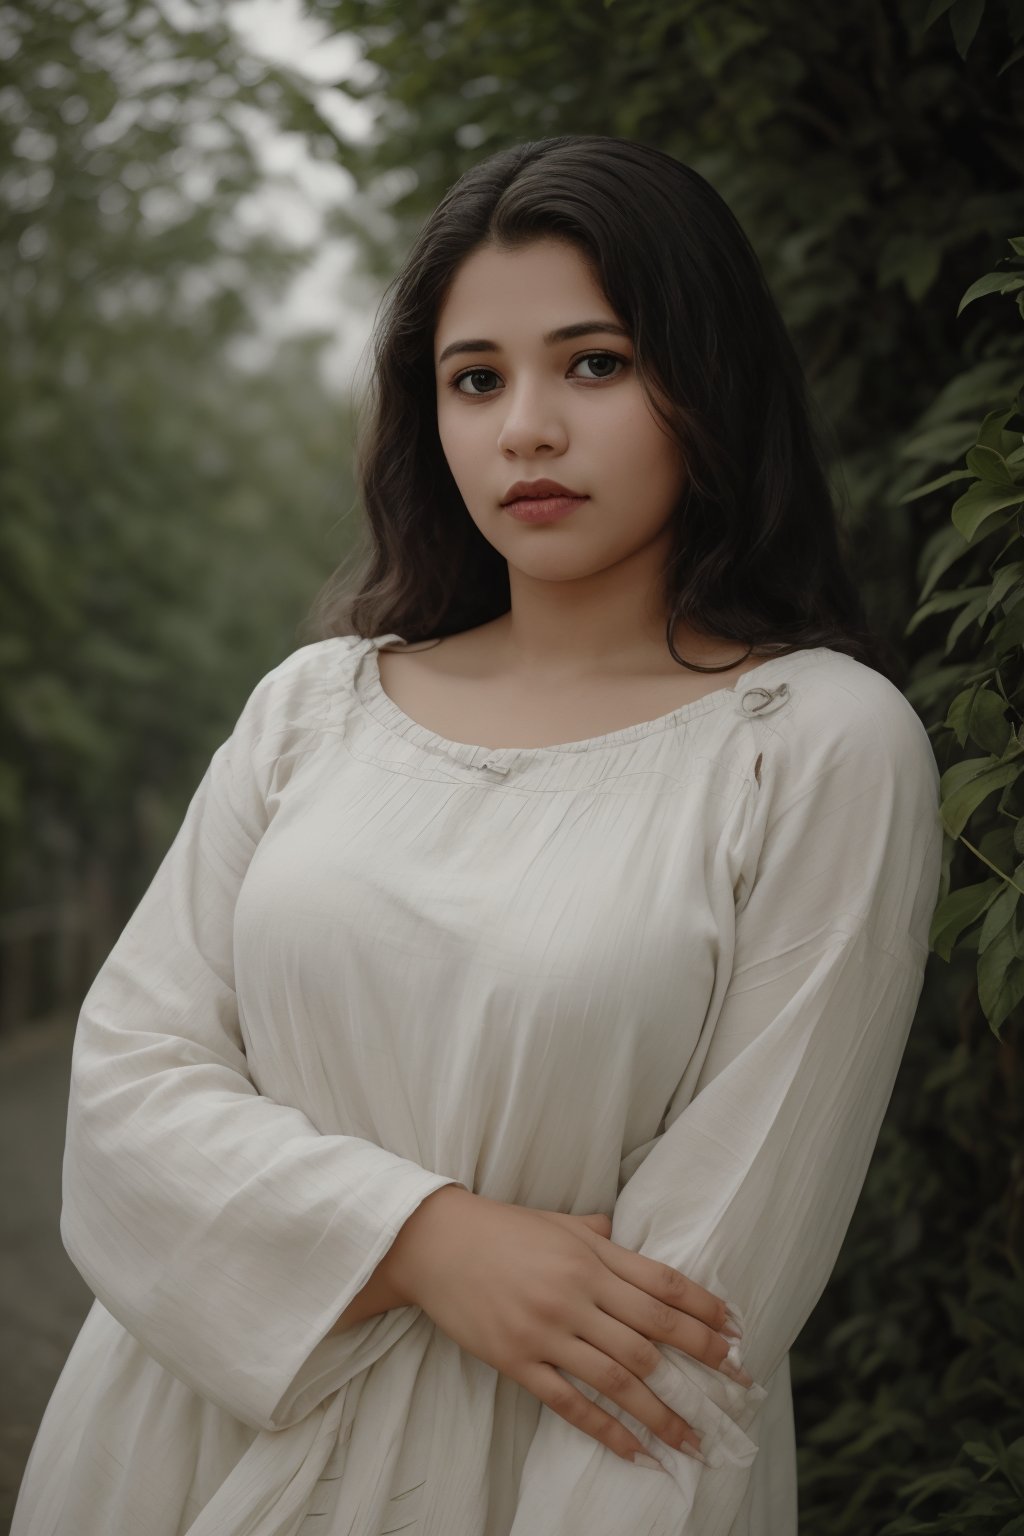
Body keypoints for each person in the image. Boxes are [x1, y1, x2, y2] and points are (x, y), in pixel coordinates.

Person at [11, 134, 943, 1536]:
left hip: (538, 1477)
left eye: (596, 363)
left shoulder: (814, 745)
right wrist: (424, 1240)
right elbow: (129, 1093)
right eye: (475, 380)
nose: (526, 430)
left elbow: (687, 1342)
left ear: (711, 378)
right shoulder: (314, 710)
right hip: (173, 1445)